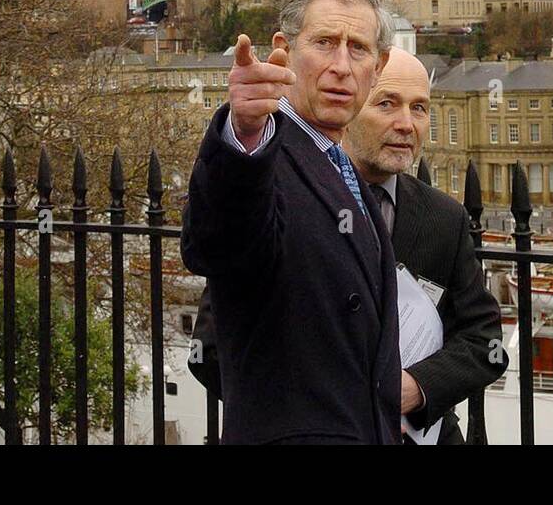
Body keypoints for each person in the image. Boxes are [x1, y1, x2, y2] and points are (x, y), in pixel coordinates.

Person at [189, 47, 508, 444]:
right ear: (351, 103)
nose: (406, 124)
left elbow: (484, 342)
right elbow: (209, 346)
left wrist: (416, 388)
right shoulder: (279, 199)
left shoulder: (445, 217)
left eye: (420, 108)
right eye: (387, 104)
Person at [180, 0, 400, 444]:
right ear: (285, 48)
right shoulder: (266, 153)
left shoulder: (343, 168)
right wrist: (244, 134)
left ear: (378, 67)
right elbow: (218, 246)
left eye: (357, 48)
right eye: (324, 43)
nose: (341, 65)